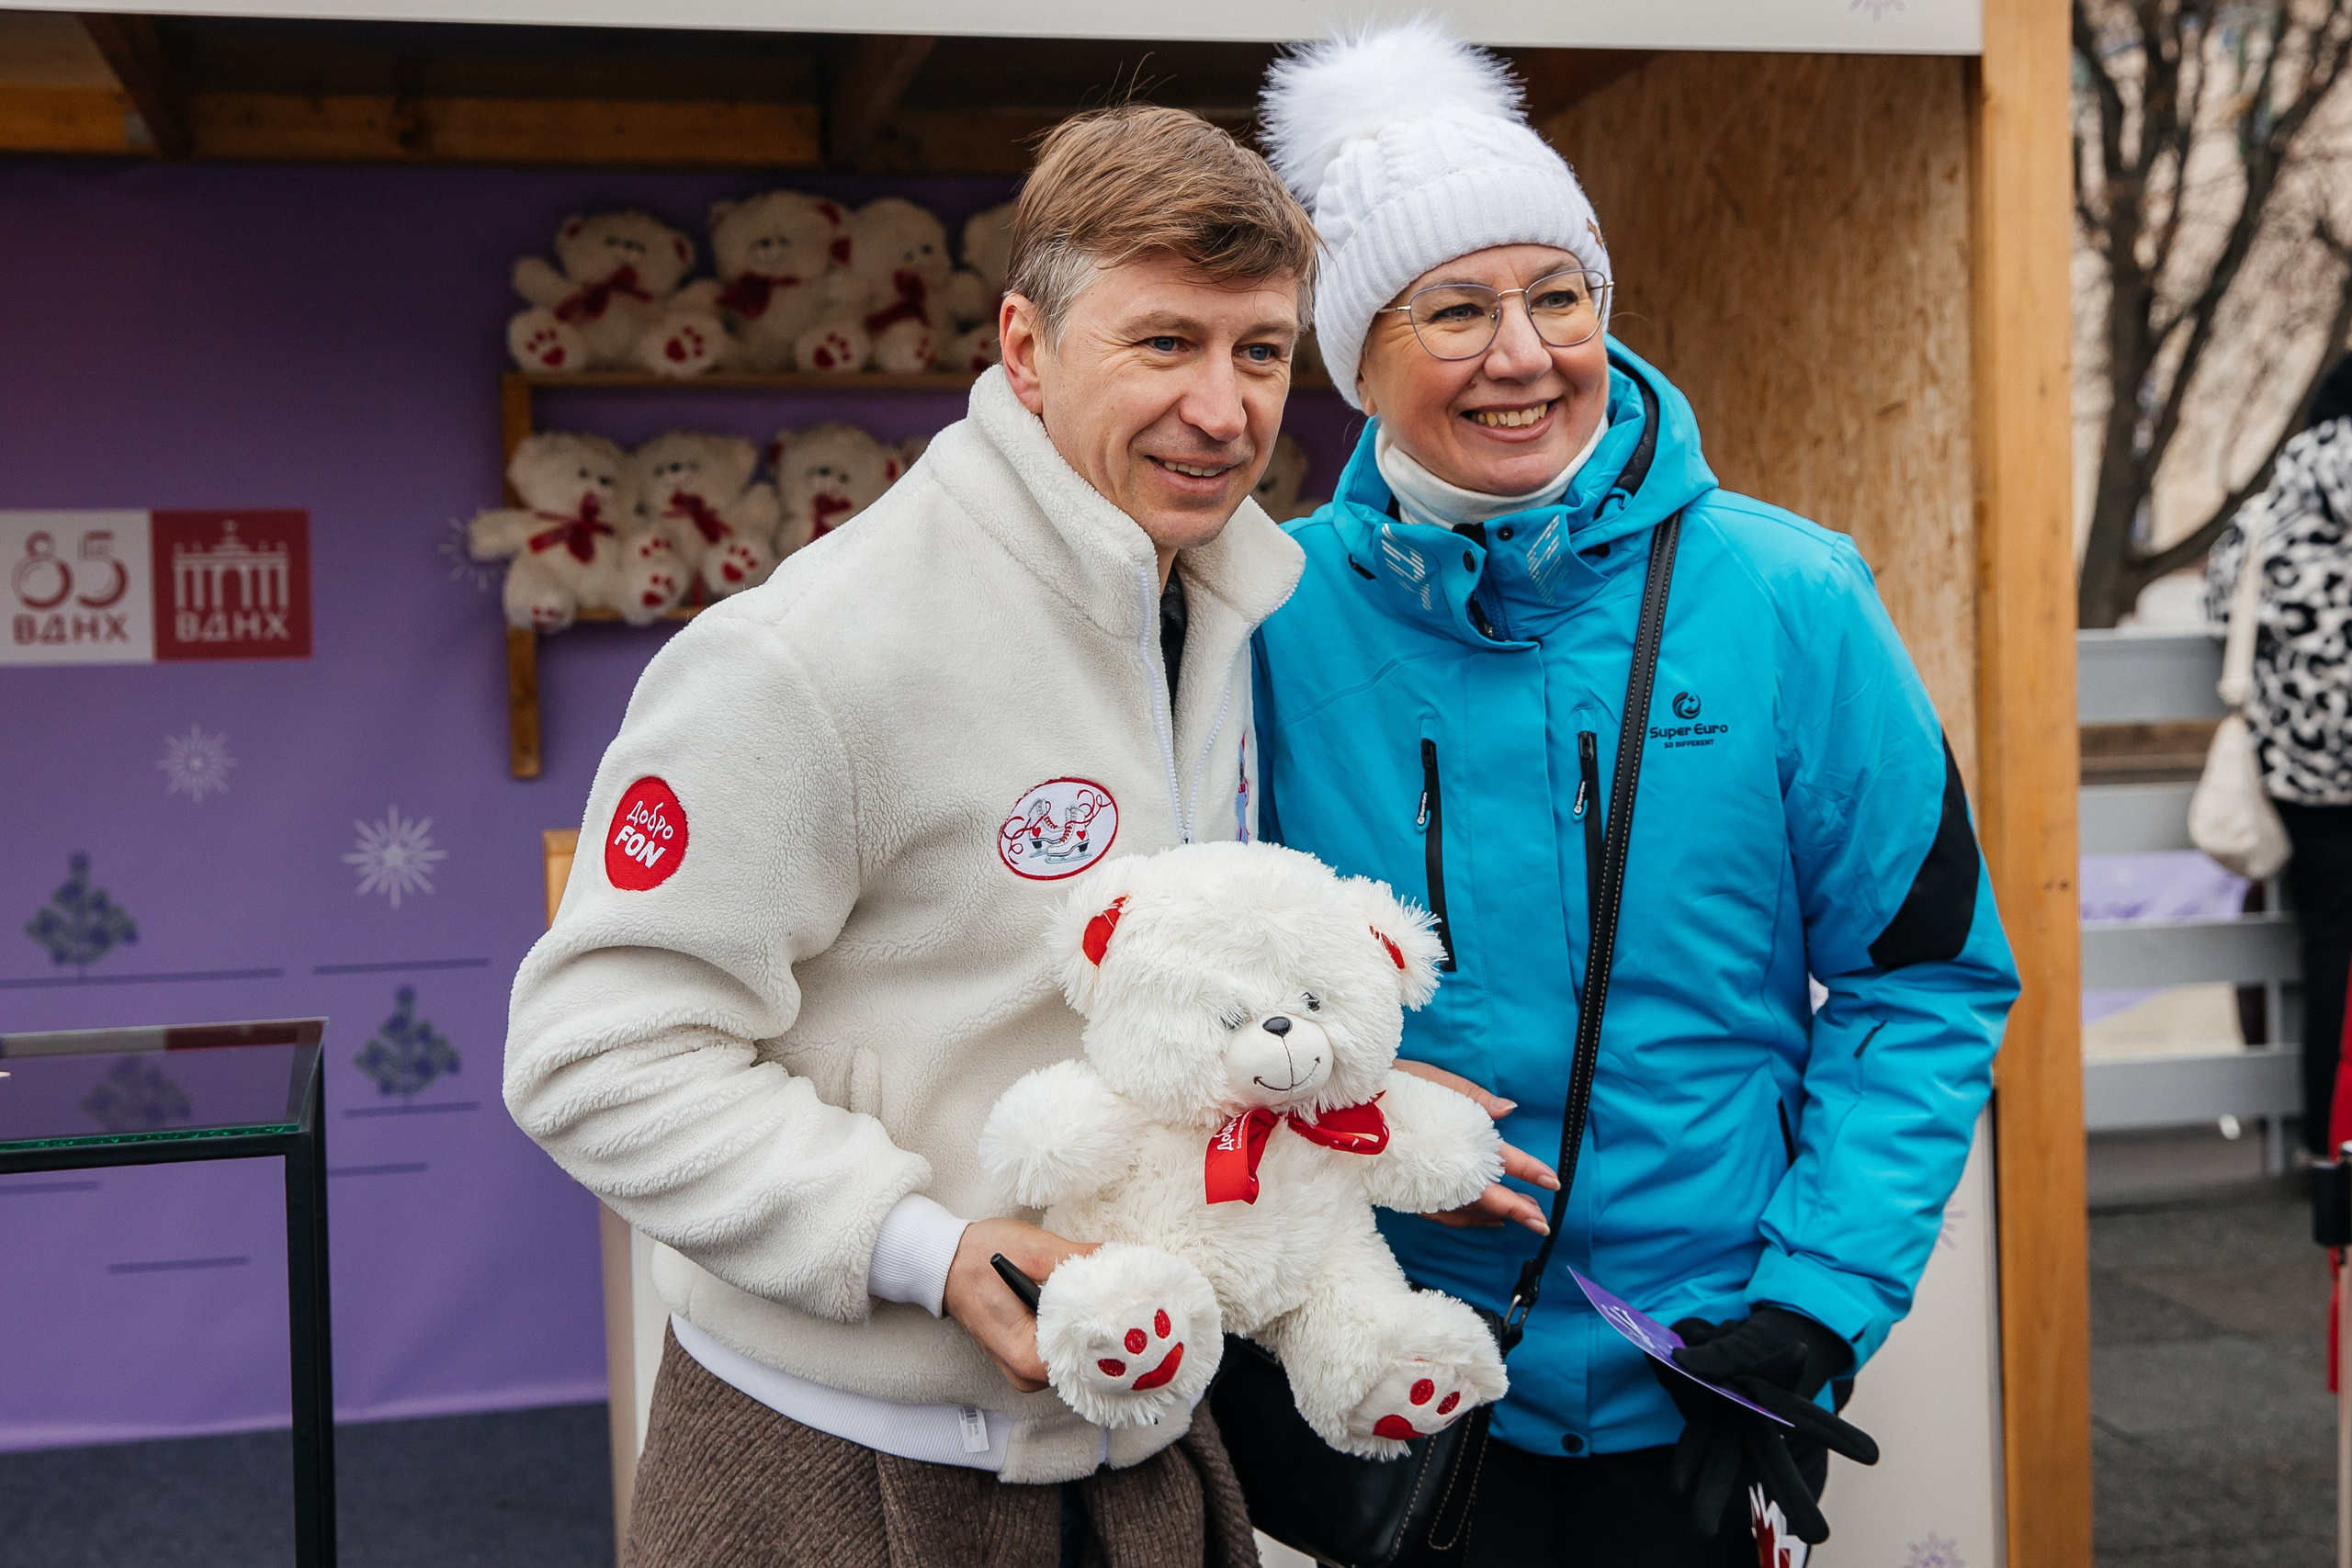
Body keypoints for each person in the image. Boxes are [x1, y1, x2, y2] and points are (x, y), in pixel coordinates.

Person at [502, 106, 1318, 1568]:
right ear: (1024, 345)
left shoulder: (1240, 616)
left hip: (1143, 1450)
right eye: (1164, 343)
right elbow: (592, 1050)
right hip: (831, 1461)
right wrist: (922, 1250)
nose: (1224, 404)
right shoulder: (808, 654)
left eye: (1260, 350)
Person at [1247, 23, 2021, 1563]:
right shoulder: (1270, 617)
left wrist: (1815, 1302)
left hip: (1707, 1375)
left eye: (1559, 295)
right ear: (1358, 356)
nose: (1524, 351)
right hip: (1398, 1373)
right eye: (1455, 309)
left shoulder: (1792, 594)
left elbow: (1922, 979)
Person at [2207, 352, 2352, 1164]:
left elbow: (2220, 600)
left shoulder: (2272, 513)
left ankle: (2328, 1146)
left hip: (2303, 774)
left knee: (2330, 950)